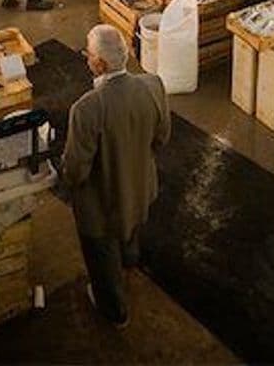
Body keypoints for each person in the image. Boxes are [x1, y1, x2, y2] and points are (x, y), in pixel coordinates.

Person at [62, 24, 170, 328]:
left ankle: (114, 310)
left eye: (88, 53)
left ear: (98, 64)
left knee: (102, 255)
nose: (86, 58)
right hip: (140, 187)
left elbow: (76, 170)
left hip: (103, 205)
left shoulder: (86, 109)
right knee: (132, 224)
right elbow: (161, 138)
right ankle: (131, 258)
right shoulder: (153, 86)